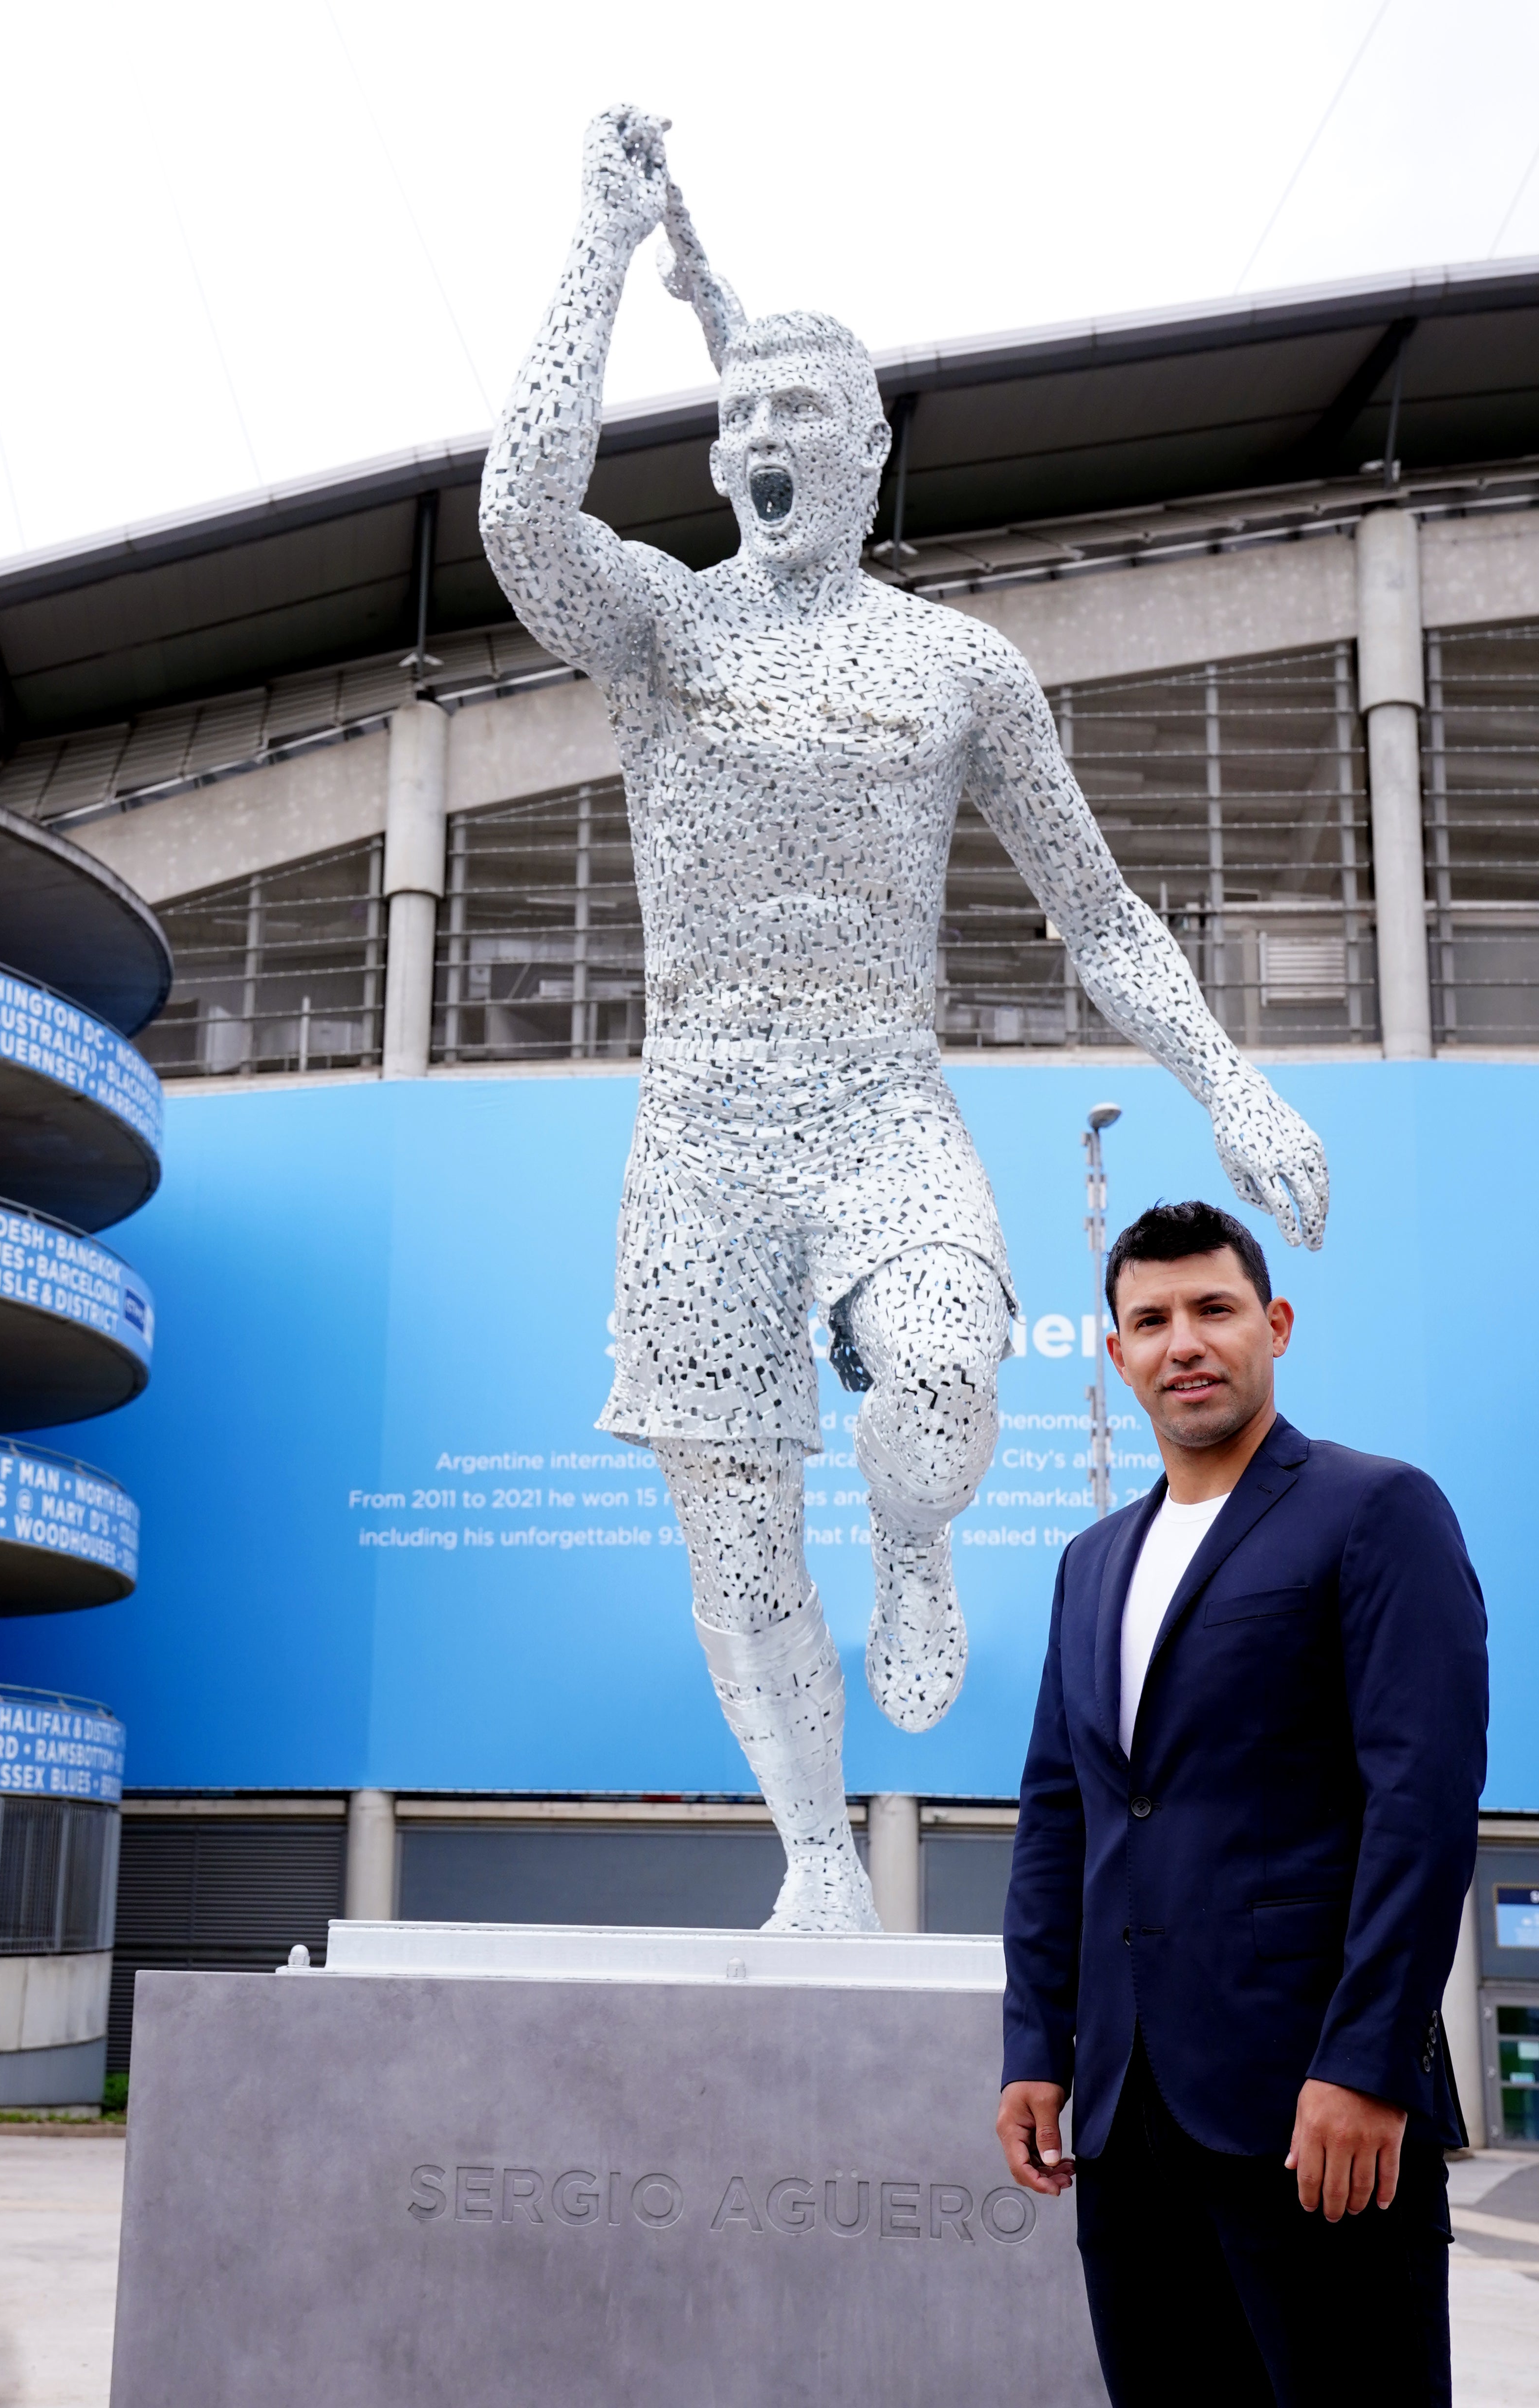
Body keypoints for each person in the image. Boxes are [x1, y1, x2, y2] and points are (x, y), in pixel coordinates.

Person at [479, 105, 1330, 1934]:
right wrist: (601, 244)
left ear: (866, 452)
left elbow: (1096, 908)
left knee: (943, 1363)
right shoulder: (664, 634)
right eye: (743, 416)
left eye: (804, 415)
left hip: (879, 1108)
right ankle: (811, 1863)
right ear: (717, 456)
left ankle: (922, 1536)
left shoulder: (957, 666)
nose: (766, 438)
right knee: (732, 1523)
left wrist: (1226, 1079)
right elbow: (518, 515)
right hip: (699, 1123)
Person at [997, 1199, 1487, 2406]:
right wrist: (1034, 2047)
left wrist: (1368, 2063)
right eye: (1150, 1320)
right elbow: (1061, 1817)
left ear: (1272, 1324)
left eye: (1213, 1309)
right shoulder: (1090, 1560)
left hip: (1313, 2111)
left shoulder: (1375, 1509)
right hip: (1124, 2117)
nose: (1184, 1342)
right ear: (1115, 1355)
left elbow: (1419, 1807)